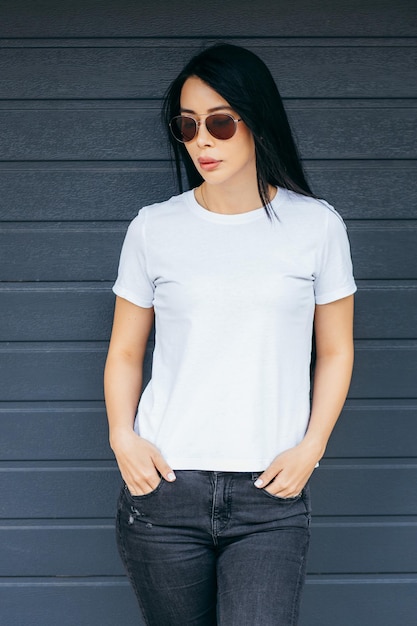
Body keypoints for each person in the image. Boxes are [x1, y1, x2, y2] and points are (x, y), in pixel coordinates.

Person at [104, 43, 356, 626]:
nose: (202, 141)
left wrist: (311, 447)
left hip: (270, 497)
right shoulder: (154, 228)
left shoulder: (316, 225)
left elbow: (337, 349)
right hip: (164, 491)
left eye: (219, 122)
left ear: (256, 119)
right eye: (187, 126)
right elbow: (124, 351)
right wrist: (123, 437)